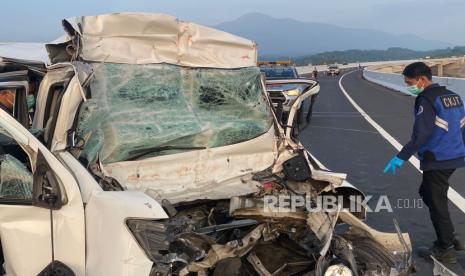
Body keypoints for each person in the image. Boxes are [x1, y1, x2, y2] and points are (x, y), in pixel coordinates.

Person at [383, 62, 465, 263]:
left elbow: (422, 134)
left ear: (422, 79)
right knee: (427, 193)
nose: (408, 85)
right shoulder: (453, 96)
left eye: (410, 82)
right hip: (454, 155)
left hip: (437, 158)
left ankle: (444, 247)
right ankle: (448, 234)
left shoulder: (426, 99)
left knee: (436, 202)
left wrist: (401, 157)